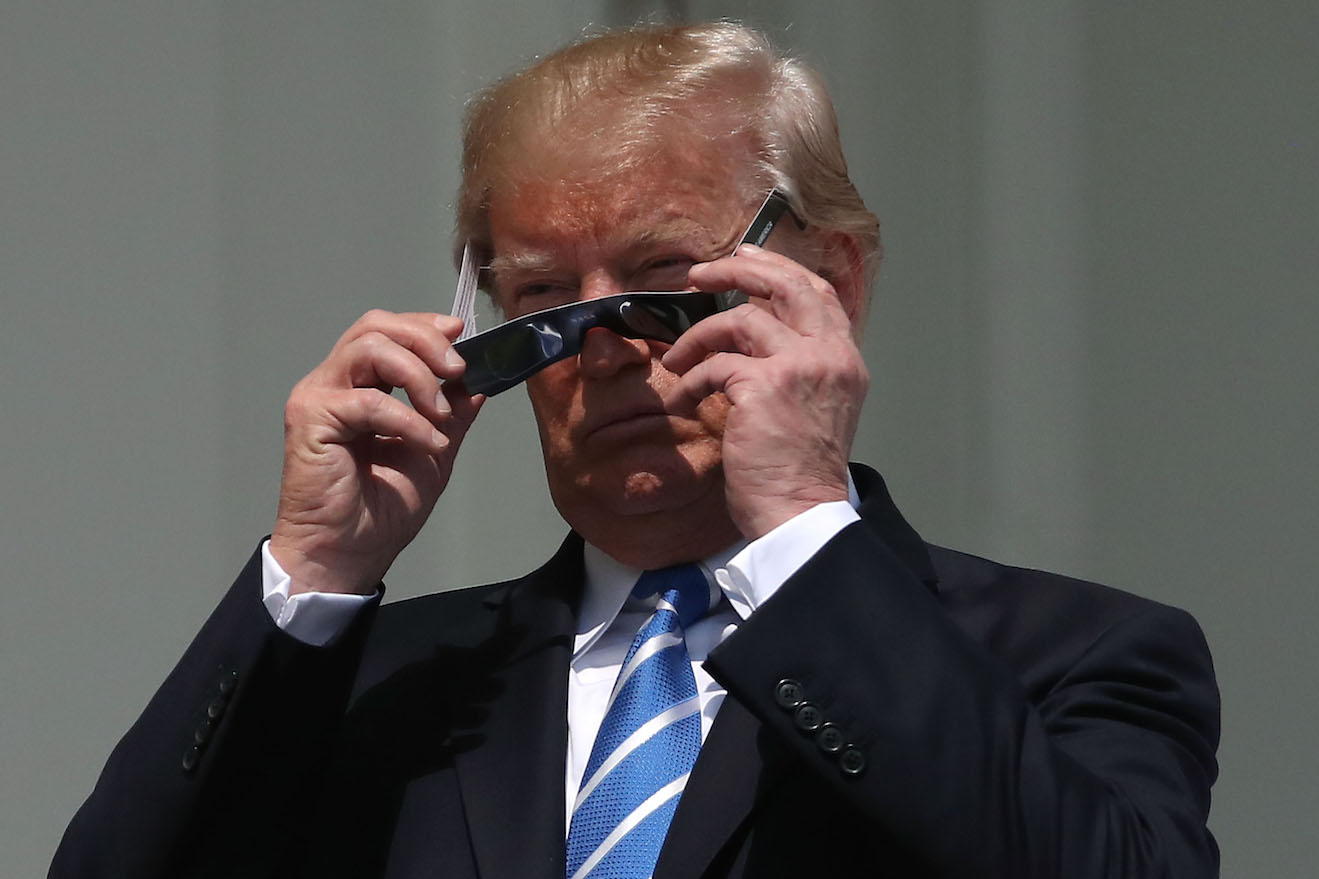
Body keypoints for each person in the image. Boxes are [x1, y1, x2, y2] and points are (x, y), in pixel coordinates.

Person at [51, 22, 1219, 879]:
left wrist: (800, 523)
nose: (602, 348)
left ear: (832, 281)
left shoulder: (1071, 657)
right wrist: (313, 569)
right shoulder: (382, 684)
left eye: (663, 283)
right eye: (542, 299)